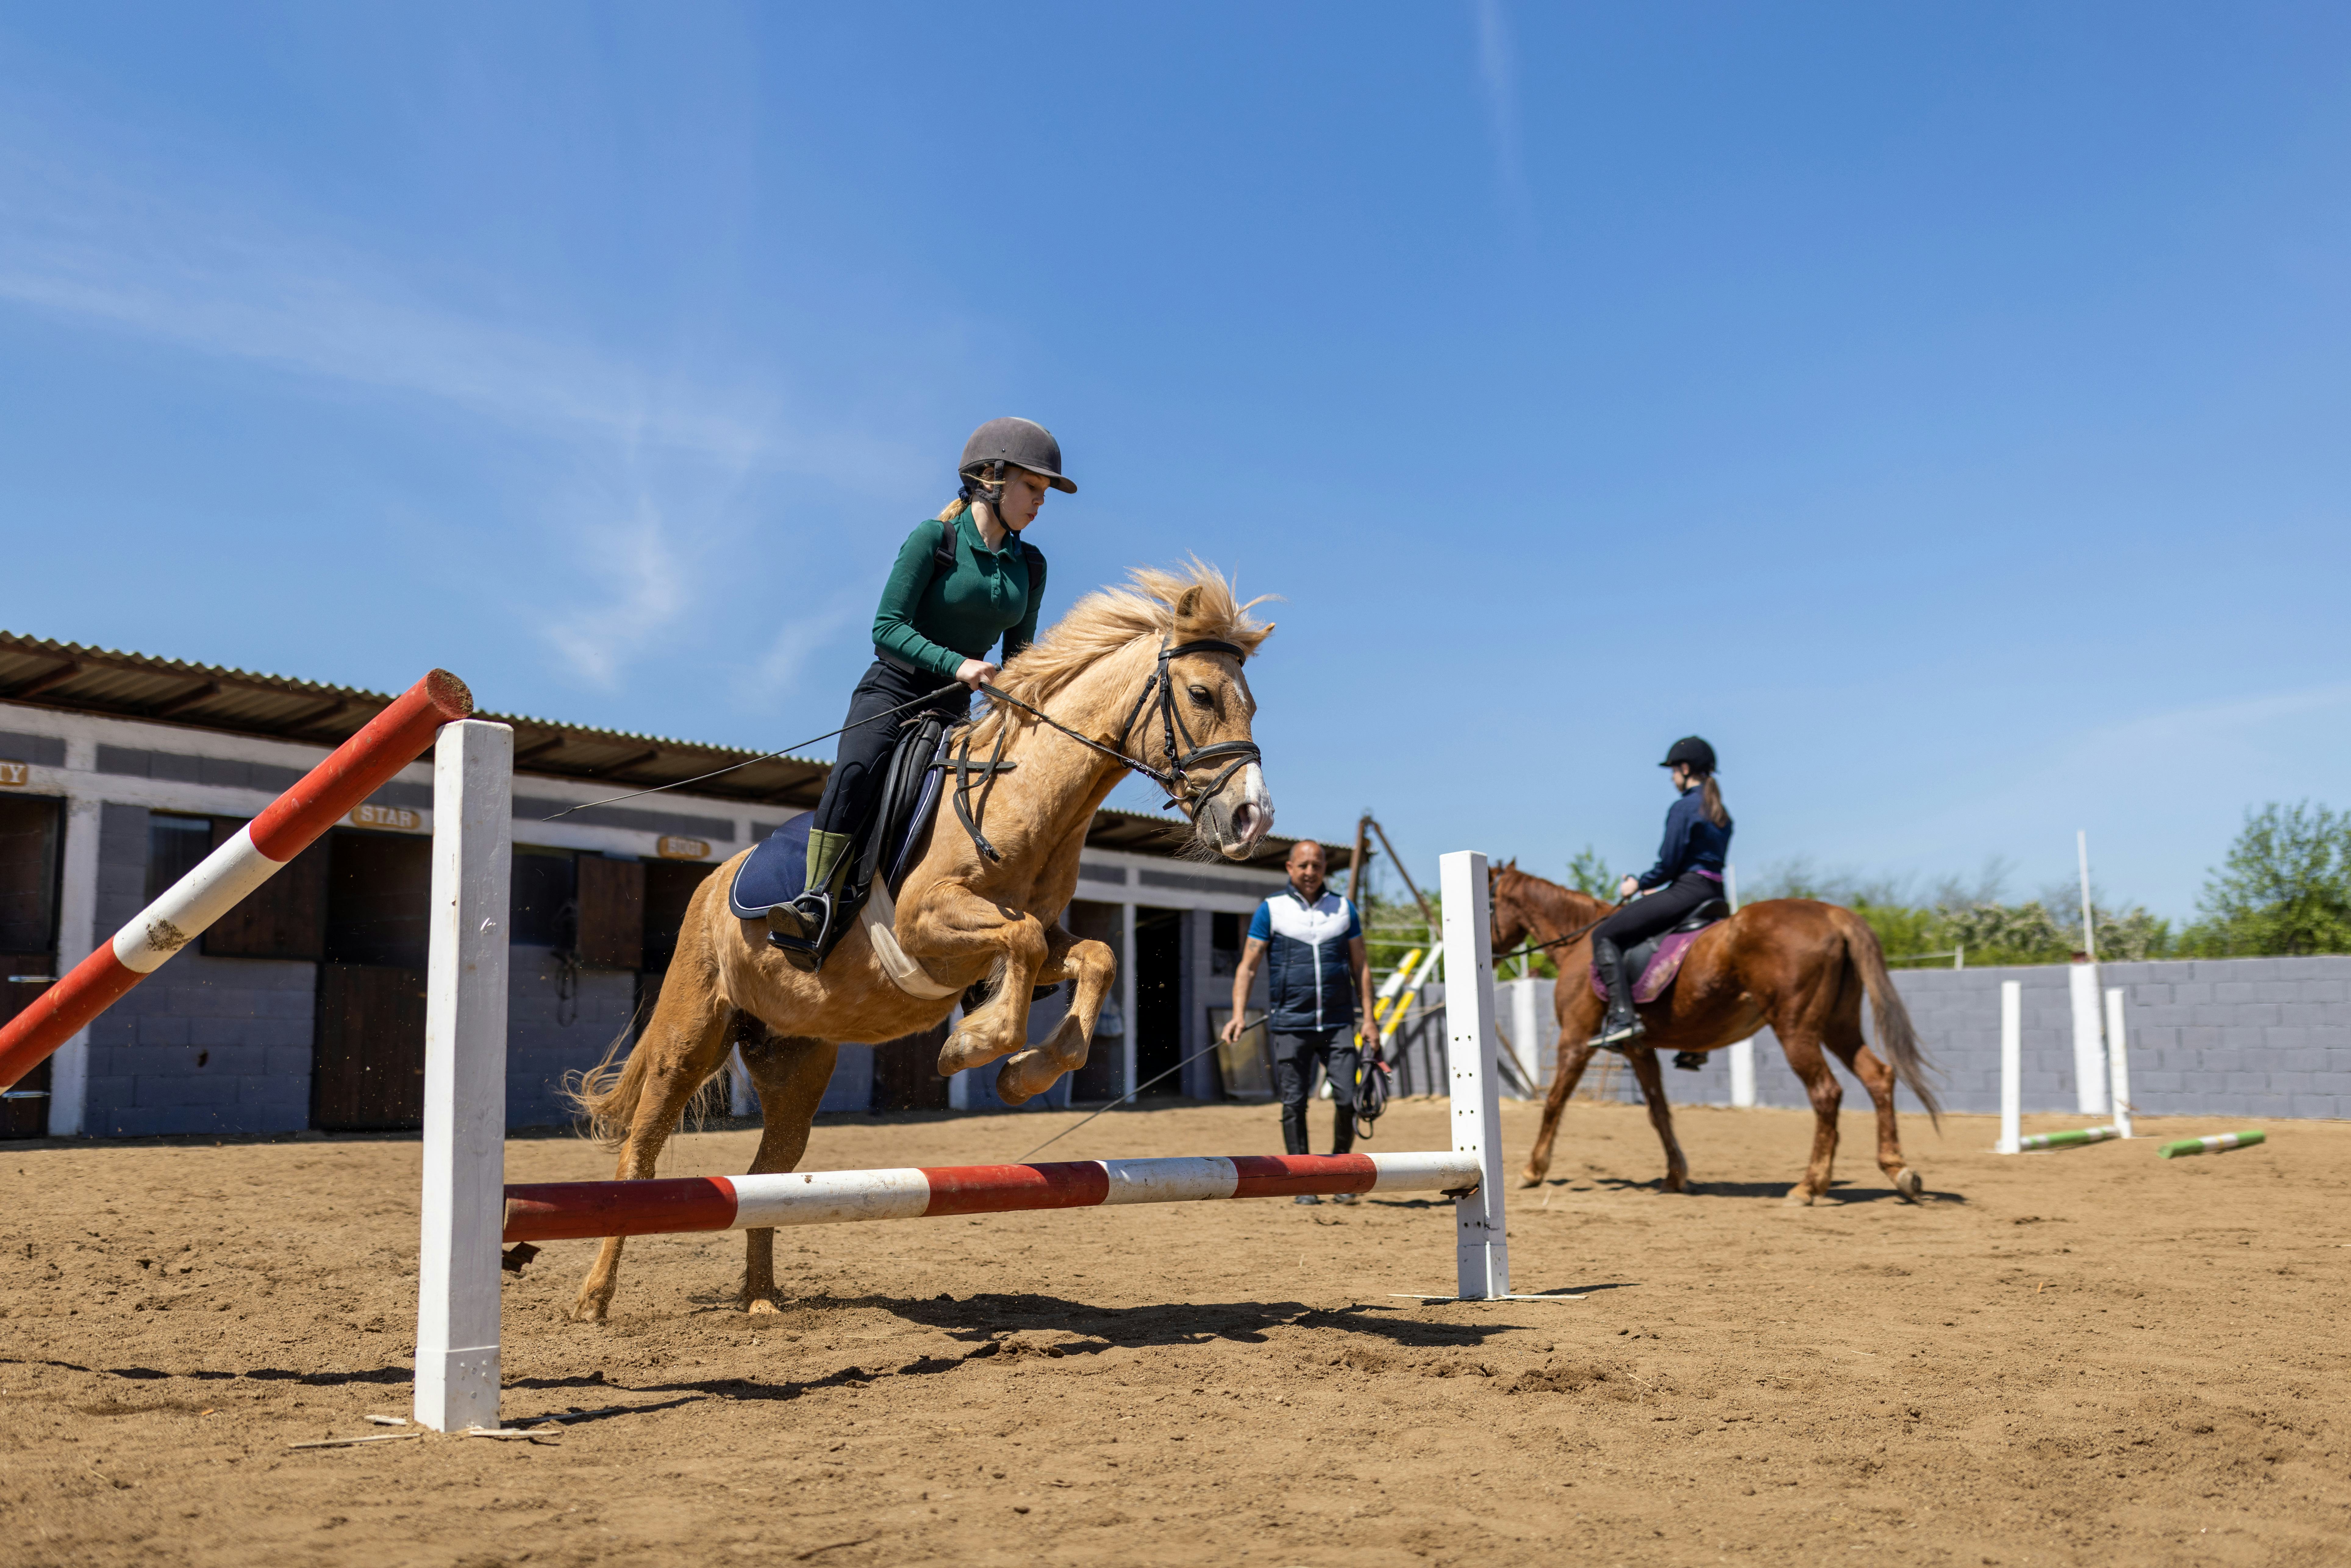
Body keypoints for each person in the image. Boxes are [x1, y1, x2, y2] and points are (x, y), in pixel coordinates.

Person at [766, 417, 1075, 966]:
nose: (1040, 503)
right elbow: (886, 627)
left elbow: (1019, 658)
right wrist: (959, 665)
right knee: (856, 773)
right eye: (1033, 488)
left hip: (960, 711)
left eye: (1045, 493)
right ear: (992, 478)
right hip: (895, 691)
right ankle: (814, 898)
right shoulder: (934, 539)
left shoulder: (1031, 564)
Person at [1222, 840, 1380, 1205]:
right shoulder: (1271, 909)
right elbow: (1247, 966)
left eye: (1317, 865)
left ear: (1325, 869)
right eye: (1303, 866)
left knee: (1346, 1099)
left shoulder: (1344, 909)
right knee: (1294, 1104)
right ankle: (1302, 1181)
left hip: (1339, 1023)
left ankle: (1344, 1173)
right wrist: (1237, 1014)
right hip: (1291, 1024)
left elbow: (1362, 966)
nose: (1310, 872)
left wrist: (1369, 1020)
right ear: (1290, 869)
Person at [1588, 736, 1734, 1048]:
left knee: (1604, 936)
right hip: (1714, 893)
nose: (1672, 778)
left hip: (1689, 889)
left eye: (1673, 771)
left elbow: (1668, 863)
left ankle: (1623, 1017)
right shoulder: (1721, 812)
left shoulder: (1683, 807)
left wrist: (1637, 883)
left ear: (1685, 768)